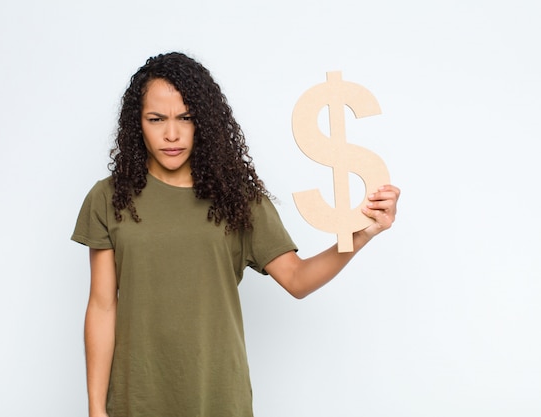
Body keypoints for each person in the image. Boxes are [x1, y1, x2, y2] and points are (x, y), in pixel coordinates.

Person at [71, 52, 400, 417]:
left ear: (205, 122)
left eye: (186, 118)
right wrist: (96, 408)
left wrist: (361, 236)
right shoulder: (109, 197)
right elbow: (102, 306)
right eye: (156, 119)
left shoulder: (237, 199)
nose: (171, 134)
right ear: (138, 124)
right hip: (138, 400)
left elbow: (297, 279)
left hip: (219, 397)